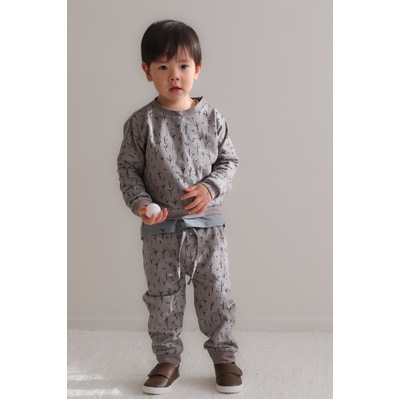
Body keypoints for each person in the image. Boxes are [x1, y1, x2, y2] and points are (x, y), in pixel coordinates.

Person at [117, 19, 243, 395]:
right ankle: (167, 360)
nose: (175, 75)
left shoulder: (213, 119)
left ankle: (224, 358)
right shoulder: (141, 123)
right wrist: (142, 203)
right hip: (161, 231)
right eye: (163, 66)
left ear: (197, 69)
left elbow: (229, 161)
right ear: (147, 71)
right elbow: (128, 169)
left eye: (184, 66)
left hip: (208, 229)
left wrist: (210, 187)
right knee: (163, 299)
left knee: (217, 293)